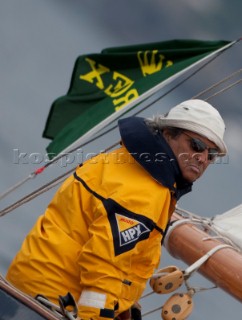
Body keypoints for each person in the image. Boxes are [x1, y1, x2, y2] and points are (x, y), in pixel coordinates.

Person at [6, 99, 227, 320]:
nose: (203, 158)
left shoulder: (127, 161)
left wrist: (123, 305)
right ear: (169, 134)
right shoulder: (145, 191)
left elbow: (114, 254)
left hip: (27, 285)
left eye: (212, 154)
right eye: (196, 145)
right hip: (50, 303)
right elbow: (104, 267)